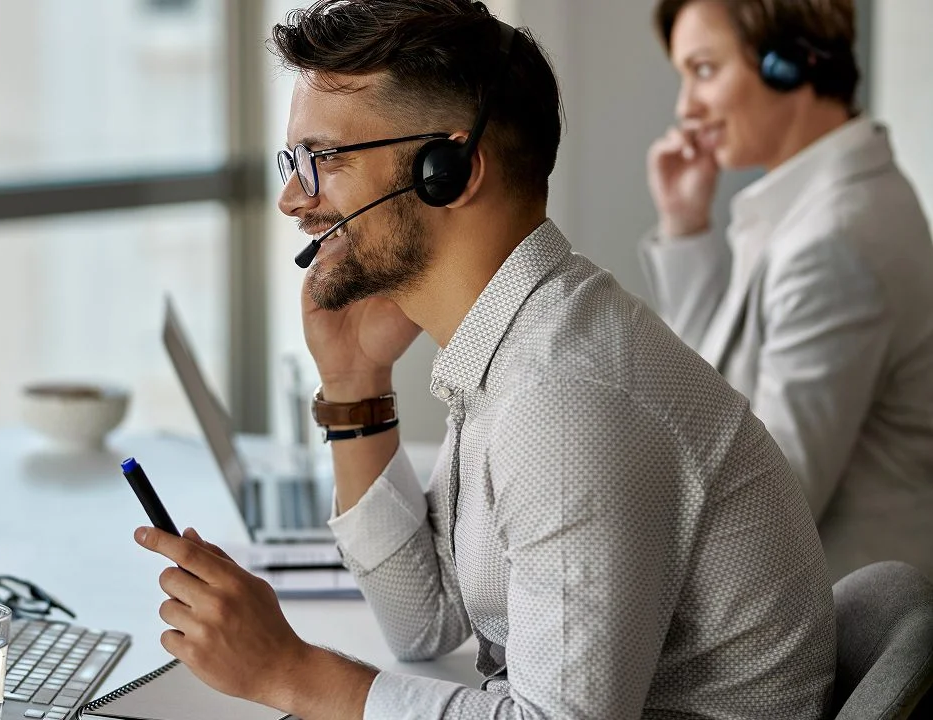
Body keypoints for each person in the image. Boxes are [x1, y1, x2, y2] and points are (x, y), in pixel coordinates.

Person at [132, 1, 836, 718]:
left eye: (325, 159)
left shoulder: (564, 397)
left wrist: (290, 673)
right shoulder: (520, 341)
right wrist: (354, 386)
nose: (292, 198)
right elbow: (423, 622)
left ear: (451, 169)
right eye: (294, 162)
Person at [641, 0, 933, 582]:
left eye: (703, 70)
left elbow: (769, 504)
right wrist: (686, 225)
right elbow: (716, 400)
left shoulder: (830, 242)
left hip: (842, 635)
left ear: (789, 64)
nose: (685, 108)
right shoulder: (817, 205)